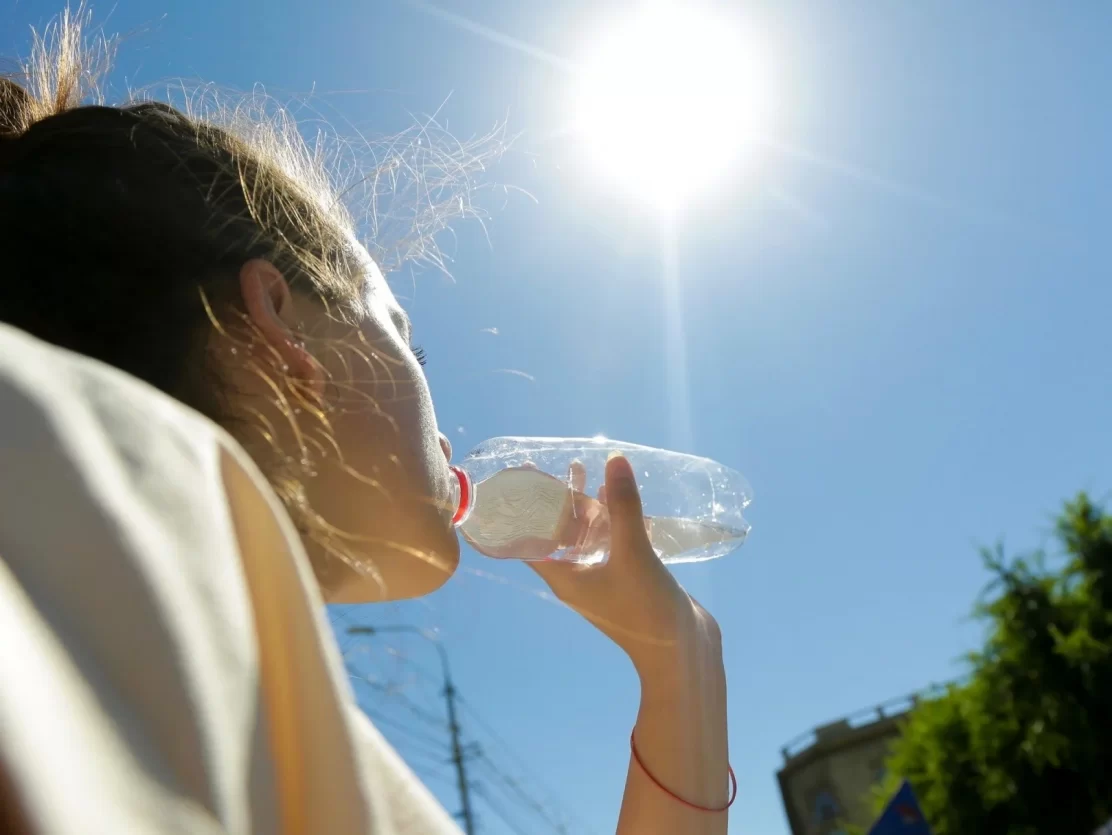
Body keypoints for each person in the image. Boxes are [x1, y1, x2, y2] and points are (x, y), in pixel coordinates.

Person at [0, 11, 732, 834]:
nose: (448, 436)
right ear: (278, 317)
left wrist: (680, 664)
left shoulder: (195, 689)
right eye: (407, 342)